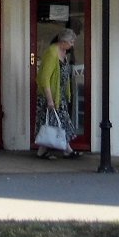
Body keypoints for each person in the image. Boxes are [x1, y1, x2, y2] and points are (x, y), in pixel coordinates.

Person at [34, 28, 80, 159]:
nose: (73, 44)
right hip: (51, 96)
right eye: (71, 42)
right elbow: (44, 78)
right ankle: (66, 150)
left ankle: (45, 151)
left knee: (57, 122)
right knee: (53, 122)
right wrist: (49, 99)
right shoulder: (52, 53)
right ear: (63, 41)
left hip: (60, 96)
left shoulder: (64, 52)